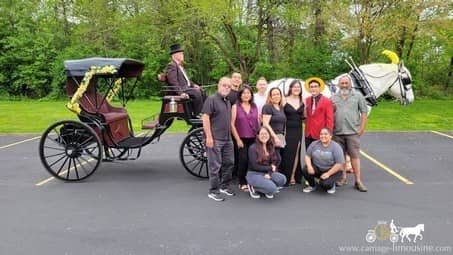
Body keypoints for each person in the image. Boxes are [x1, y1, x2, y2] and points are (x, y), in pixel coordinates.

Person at [331, 75, 369, 192]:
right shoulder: (333, 98)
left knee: (354, 156)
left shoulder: (358, 96)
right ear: (338, 85)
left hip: (352, 132)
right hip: (337, 132)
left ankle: (358, 181)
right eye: (342, 83)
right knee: (340, 157)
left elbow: (364, 112)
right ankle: (342, 178)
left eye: (346, 83)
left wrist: (361, 128)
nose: (344, 85)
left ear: (350, 84)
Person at [202, 77, 235, 201]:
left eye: (229, 86)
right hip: (215, 139)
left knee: (230, 163)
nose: (226, 88)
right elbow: (205, 118)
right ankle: (213, 191)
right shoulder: (211, 100)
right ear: (219, 86)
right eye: (224, 85)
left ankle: (224, 186)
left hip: (227, 139)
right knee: (215, 166)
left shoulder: (227, 101)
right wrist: (209, 137)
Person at [231, 86, 260, 192]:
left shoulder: (254, 106)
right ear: (240, 95)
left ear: (251, 95)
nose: (246, 95)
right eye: (244, 93)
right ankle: (242, 181)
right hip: (241, 138)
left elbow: (257, 122)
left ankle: (250, 180)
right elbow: (232, 124)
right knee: (243, 160)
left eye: (248, 93)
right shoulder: (235, 106)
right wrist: (237, 139)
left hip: (253, 138)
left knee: (252, 160)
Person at [246, 126, 287, 199]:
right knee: (272, 189)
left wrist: (269, 173)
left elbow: (276, 161)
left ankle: (266, 187)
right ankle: (253, 187)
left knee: (282, 179)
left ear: (269, 135)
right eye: (261, 134)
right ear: (258, 136)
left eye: (266, 134)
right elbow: (255, 166)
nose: (264, 136)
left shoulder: (271, 146)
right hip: (254, 173)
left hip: (267, 172)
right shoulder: (252, 148)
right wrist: (270, 168)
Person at [165, 43, 205, 116]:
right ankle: (197, 114)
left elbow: (187, 80)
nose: (182, 55)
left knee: (201, 90)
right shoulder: (172, 65)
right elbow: (173, 82)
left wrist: (194, 85)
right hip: (182, 89)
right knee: (196, 92)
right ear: (175, 55)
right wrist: (180, 93)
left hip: (187, 88)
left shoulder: (180, 66)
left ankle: (206, 112)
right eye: (181, 53)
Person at [302, 127, 344, 194]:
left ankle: (331, 184)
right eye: (321, 134)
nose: (323, 136)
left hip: (332, 171)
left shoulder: (336, 147)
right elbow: (307, 156)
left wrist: (328, 174)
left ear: (330, 136)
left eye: (325, 134)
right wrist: (309, 167)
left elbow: (339, 164)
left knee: (325, 185)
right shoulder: (314, 144)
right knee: (305, 169)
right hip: (318, 168)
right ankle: (312, 185)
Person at [282, 80, 305, 185]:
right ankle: (285, 176)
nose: (296, 88)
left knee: (296, 153)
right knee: (287, 153)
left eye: (298, 87)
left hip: (298, 130)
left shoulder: (302, 100)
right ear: (290, 88)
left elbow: (305, 116)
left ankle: (293, 175)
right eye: (294, 87)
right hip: (287, 130)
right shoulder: (284, 99)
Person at [304, 77, 334, 149]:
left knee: (319, 157)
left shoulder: (327, 101)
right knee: (309, 155)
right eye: (311, 87)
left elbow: (330, 120)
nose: (313, 88)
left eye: (315, 86)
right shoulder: (306, 100)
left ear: (319, 88)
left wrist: (328, 134)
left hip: (321, 135)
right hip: (308, 134)